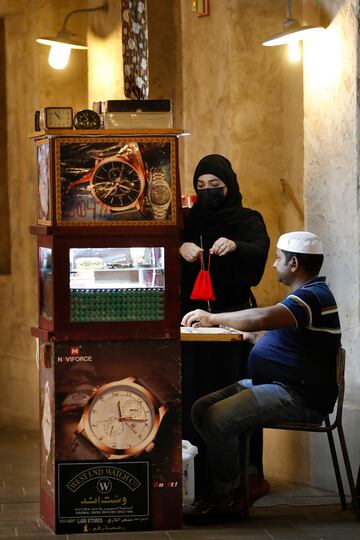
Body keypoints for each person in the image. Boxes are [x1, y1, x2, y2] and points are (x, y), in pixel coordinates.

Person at [182, 231, 341, 522]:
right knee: (200, 408)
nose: (273, 265)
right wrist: (254, 337)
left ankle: (228, 497)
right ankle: (249, 480)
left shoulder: (312, 296)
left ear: (293, 264)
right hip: (277, 385)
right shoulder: (303, 296)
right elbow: (275, 334)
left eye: (278, 259)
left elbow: (262, 316)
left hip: (298, 394)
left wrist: (213, 318)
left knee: (218, 418)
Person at [180, 154, 270, 496]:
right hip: (193, 322)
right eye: (200, 186)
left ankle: (244, 478)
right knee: (195, 391)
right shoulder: (190, 221)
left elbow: (259, 252)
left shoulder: (247, 219)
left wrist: (237, 246)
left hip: (234, 320)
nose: (208, 192)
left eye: (215, 186)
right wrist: (180, 246)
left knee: (236, 396)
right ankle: (198, 478)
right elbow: (162, 250)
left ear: (229, 185)